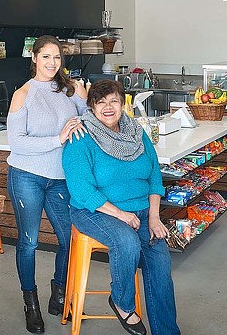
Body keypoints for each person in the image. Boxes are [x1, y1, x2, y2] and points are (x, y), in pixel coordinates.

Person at [63, 80, 180, 335]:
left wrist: (154, 217)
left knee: (160, 265)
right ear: (92, 107)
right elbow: (81, 190)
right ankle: (122, 302)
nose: (108, 107)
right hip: (94, 211)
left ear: (122, 104)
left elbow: (154, 176)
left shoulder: (135, 132)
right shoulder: (81, 137)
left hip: (141, 211)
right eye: (100, 102)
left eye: (113, 101)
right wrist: (121, 214)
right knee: (127, 243)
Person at [6, 35, 88, 333]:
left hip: (61, 178)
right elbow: (16, 143)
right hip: (26, 174)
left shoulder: (69, 90)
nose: (52, 63)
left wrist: (83, 96)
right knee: (29, 242)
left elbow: (92, 118)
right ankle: (31, 304)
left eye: (57, 58)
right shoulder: (23, 94)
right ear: (34, 58)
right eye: (46, 57)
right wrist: (58, 139)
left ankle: (58, 291)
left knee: (69, 239)